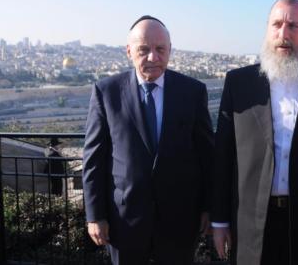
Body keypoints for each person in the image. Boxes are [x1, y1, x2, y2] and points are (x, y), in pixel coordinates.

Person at [212, 0, 298, 265]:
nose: (283, 34)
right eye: (276, 24)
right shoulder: (239, 83)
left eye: (293, 26)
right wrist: (219, 221)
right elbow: (223, 156)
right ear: (267, 29)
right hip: (250, 224)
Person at [82, 15, 214, 265]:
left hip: (180, 219)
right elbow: (93, 159)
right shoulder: (107, 92)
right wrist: (94, 215)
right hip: (124, 221)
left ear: (170, 51)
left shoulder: (193, 92)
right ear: (129, 51)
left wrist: (209, 207)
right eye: (144, 50)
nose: (153, 57)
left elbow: (207, 155)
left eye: (160, 49)